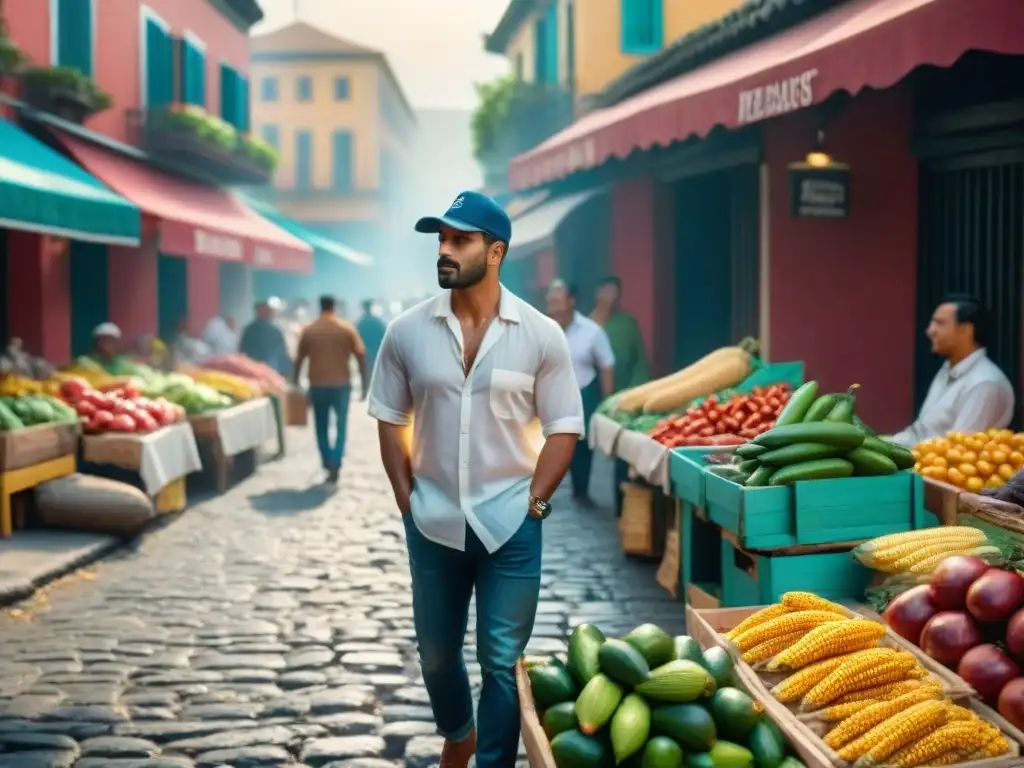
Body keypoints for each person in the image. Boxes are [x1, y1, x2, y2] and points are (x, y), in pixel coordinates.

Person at [368, 191, 583, 768]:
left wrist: (536, 503)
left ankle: (490, 762)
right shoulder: (406, 332)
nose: (444, 250)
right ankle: (457, 730)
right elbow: (390, 417)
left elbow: (565, 426)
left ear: (495, 252)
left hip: (512, 522)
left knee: (501, 662)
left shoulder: (540, 335)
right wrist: (404, 497)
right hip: (432, 520)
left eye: (458, 240)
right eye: (440, 239)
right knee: (437, 658)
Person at [891, 295, 1014, 447]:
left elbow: (957, 451)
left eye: (940, 323)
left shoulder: (985, 383)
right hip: (918, 463)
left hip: (939, 468)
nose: (930, 331)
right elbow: (919, 432)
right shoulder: (947, 370)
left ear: (966, 330)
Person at [546, 278, 615, 506]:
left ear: (571, 300)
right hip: (553, 393)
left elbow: (606, 364)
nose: (552, 303)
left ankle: (581, 491)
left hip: (584, 392)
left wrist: (607, 402)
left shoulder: (591, 331)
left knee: (581, 446)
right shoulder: (543, 329)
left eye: (557, 298)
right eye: (550, 299)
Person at [294, 295, 368, 484]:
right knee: (341, 424)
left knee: (321, 425)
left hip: (317, 384)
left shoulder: (310, 330)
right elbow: (360, 355)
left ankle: (326, 460)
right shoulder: (345, 328)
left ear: (320, 307)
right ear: (334, 307)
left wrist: (295, 382)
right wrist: (365, 382)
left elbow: (299, 359)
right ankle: (337, 460)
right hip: (341, 384)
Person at [591, 276, 650, 392]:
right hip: (592, 394)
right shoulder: (586, 326)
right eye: (607, 292)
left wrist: (635, 390)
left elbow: (640, 363)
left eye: (614, 293)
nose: (611, 298)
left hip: (624, 391)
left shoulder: (627, 324)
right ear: (598, 293)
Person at [239, 301, 291, 376]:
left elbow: (282, 354)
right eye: (261, 310)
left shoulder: (275, 331)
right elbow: (243, 352)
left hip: (270, 372)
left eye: (265, 310)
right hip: (253, 371)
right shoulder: (249, 331)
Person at [355, 299, 387, 379]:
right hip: (377, 354)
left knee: (366, 380)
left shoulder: (360, 323)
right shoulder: (378, 322)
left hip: (365, 355)